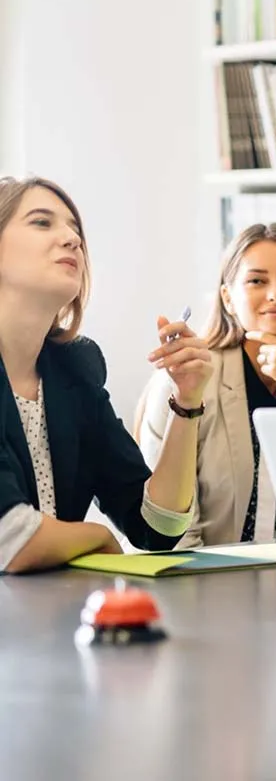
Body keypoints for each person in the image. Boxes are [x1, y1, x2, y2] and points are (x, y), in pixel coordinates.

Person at [0, 176, 205, 573]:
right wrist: (102, 538)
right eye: (42, 223)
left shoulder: (75, 369)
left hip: (46, 621)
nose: (72, 239)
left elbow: (157, 528)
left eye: (75, 229)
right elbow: (10, 537)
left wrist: (188, 401)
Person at [136, 223, 276, 547]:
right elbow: (171, 537)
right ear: (228, 298)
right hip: (204, 585)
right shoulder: (186, 380)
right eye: (256, 281)